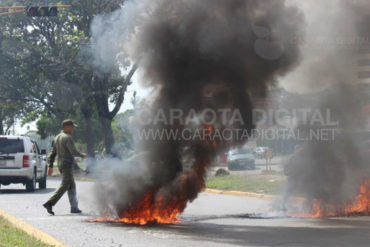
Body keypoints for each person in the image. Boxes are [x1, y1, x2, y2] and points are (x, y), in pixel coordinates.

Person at [43, 119, 87, 215]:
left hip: (60, 162)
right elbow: (73, 151)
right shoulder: (67, 137)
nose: (73, 128)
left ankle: (74, 207)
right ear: (65, 127)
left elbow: (52, 153)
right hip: (66, 163)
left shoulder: (57, 137)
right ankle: (49, 203)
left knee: (71, 185)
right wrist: (83, 155)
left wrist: (50, 165)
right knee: (65, 185)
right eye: (71, 126)